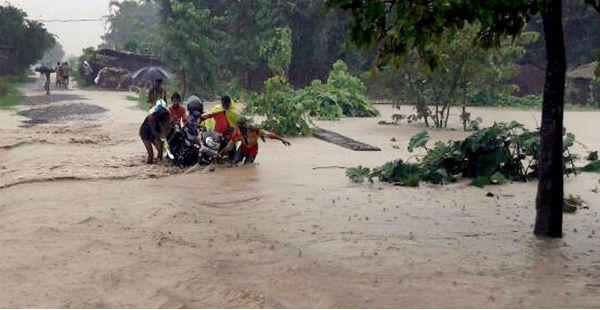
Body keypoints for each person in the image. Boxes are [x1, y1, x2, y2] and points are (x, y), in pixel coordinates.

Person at [220, 116, 291, 165]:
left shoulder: (255, 131)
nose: (240, 128)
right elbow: (229, 146)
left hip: (253, 150)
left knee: (247, 166)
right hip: (243, 148)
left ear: (245, 125)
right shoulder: (237, 133)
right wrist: (221, 154)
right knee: (234, 163)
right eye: (238, 126)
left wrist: (282, 139)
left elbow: (270, 135)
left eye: (241, 126)